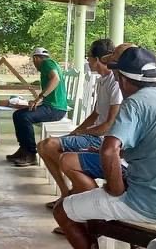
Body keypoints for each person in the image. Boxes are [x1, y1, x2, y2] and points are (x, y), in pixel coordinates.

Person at [54, 47, 156, 249]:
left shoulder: (134, 104)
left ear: (123, 79)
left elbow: (109, 150)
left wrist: (115, 189)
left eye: (117, 77)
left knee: (62, 211)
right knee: (91, 203)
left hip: (145, 204)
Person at [37, 39, 122, 205]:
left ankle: (78, 189)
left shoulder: (115, 83)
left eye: (89, 57)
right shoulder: (102, 81)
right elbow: (96, 113)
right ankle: (66, 192)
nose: (87, 61)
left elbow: (108, 125)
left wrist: (82, 132)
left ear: (98, 59)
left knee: (48, 146)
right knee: (44, 146)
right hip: (94, 134)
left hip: (103, 139)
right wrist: (77, 130)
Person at [8, 47, 68, 167]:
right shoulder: (52, 64)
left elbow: (55, 79)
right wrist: (38, 102)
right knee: (18, 114)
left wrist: (39, 97)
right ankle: (23, 150)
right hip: (52, 106)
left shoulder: (46, 63)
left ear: (36, 58)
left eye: (33, 60)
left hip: (55, 109)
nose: (34, 64)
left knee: (24, 117)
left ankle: (30, 154)